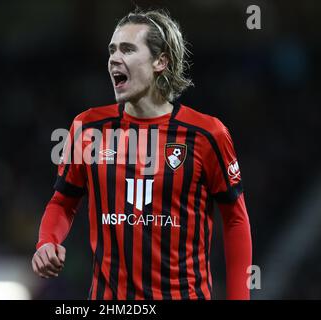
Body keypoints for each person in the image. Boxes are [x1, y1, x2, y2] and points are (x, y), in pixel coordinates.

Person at [32, 9, 252, 300]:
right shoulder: (86, 128)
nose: (113, 58)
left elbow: (235, 220)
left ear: (160, 61)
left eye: (127, 49)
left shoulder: (206, 134)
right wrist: (46, 242)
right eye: (112, 49)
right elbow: (62, 202)